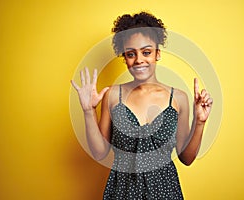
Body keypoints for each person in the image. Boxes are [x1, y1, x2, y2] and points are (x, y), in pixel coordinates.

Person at [71, 11, 213, 200]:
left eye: (146, 52)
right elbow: (99, 152)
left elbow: (186, 158)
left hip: (165, 191)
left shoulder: (178, 98)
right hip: (121, 191)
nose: (139, 60)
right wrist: (88, 111)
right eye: (131, 54)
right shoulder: (113, 95)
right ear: (125, 57)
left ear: (157, 54)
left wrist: (200, 122)